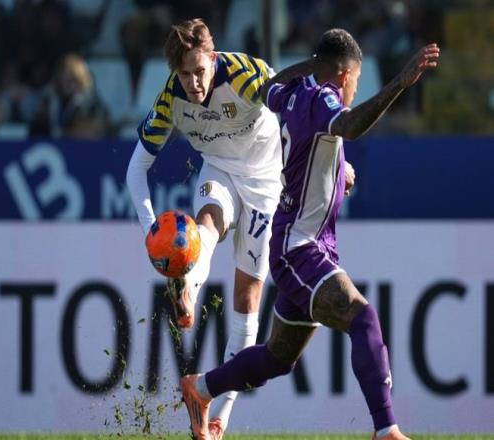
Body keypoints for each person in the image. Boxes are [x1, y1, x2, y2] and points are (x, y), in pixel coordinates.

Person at [180, 29, 440, 440]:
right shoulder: (323, 98)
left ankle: (201, 388)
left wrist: (336, 169)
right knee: (363, 316)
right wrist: (399, 83)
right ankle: (386, 429)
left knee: (277, 358)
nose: (354, 90)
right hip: (300, 248)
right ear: (344, 75)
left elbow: (268, 87)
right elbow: (350, 125)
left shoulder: (293, 91)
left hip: (299, 243)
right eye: (355, 80)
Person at [127, 18, 355, 440]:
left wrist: (338, 161)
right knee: (207, 223)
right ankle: (186, 286)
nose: (194, 83)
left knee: (248, 298)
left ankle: (219, 416)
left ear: (212, 58)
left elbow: (301, 107)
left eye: (199, 71)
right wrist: (149, 231)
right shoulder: (171, 98)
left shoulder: (244, 74)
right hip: (219, 170)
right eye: (184, 75)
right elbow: (135, 168)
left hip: (268, 182)